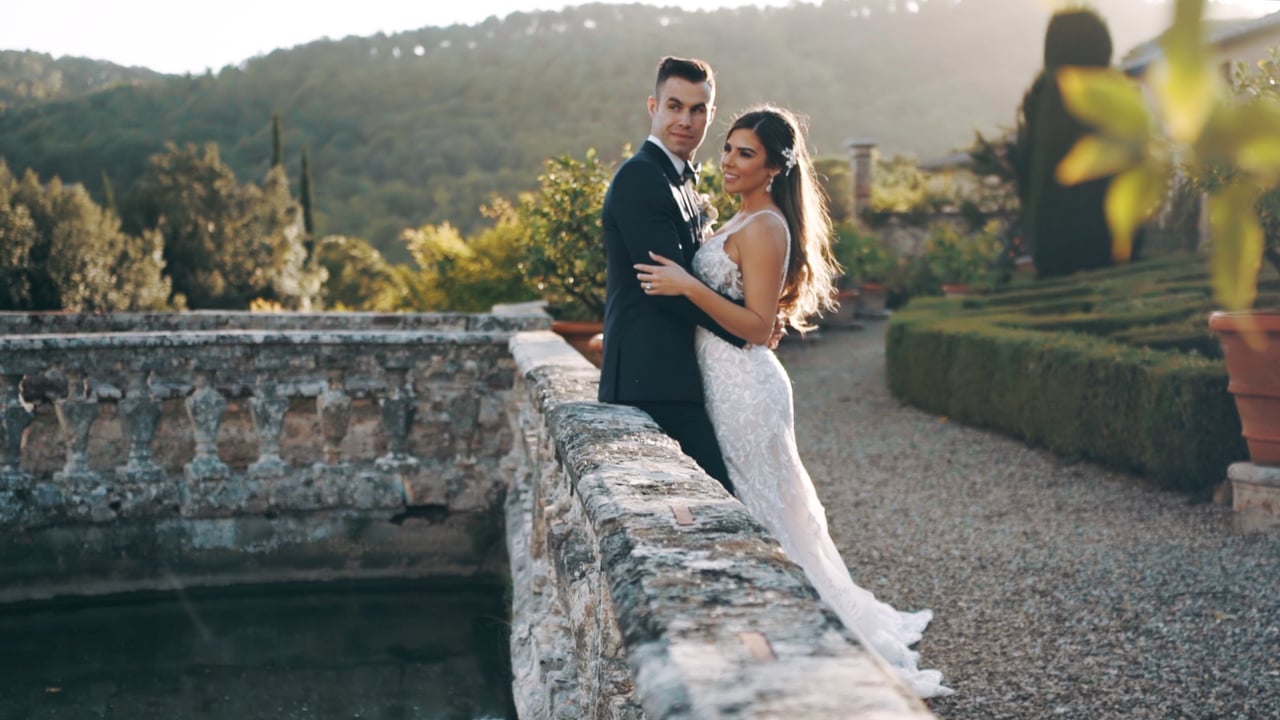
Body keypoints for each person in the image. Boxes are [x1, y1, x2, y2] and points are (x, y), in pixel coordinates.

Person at [635, 105, 953, 698]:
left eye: (744, 153)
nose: (728, 161)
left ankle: (794, 642)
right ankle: (766, 633)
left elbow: (757, 326)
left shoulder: (767, 227)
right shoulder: (741, 219)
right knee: (758, 507)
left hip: (745, 387)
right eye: (727, 149)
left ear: (775, 168)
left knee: (760, 511)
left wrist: (688, 285)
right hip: (720, 376)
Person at [599, 56, 755, 494]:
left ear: (709, 115)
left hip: (680, 377)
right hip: (649, 383)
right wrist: (749, 325)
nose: (685, 119)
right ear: (653, 106)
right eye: (674, 105)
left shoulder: (681, 182)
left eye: (698, 109)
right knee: (721, 500)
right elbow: (664, 289)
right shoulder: (640, 178)